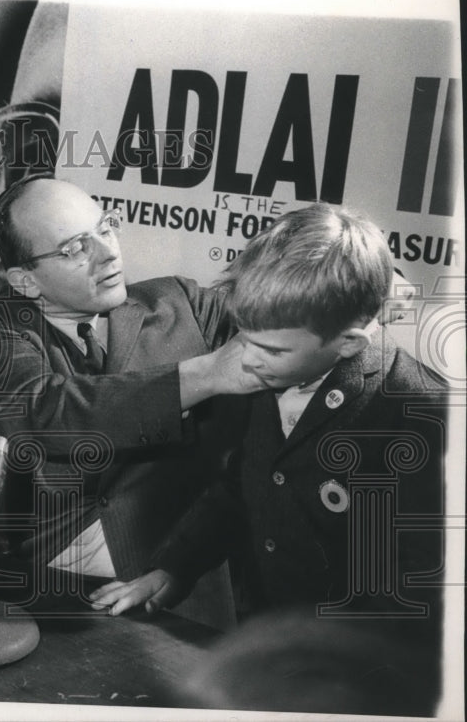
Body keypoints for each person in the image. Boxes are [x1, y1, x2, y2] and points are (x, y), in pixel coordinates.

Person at [90, 205, 447, 640]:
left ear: (350, 344)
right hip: (262, 634)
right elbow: (244, 487)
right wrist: (174, 568)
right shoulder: (270, 371)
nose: (247, 360)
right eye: (243, 336)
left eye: (272, 350)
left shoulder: (421, 415)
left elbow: (417, 584)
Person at [0, 175, 263, 625]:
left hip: (175, 573)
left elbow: (277, 318)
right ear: (25, 280)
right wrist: (204, 375)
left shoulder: (183, 303)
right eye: (75, 248)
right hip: (54, 572)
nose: (108, 251)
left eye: (106, 227)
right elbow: (45, 413)